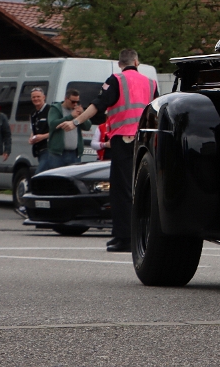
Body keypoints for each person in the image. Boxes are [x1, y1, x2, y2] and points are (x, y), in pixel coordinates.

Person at [60, 49, 157, 252]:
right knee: (140, 187)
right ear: (136, 62)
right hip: (144, 140)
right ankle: (135, 234)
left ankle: (125, 238)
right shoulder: (151, 83)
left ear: (120, 64)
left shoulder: (116, 80)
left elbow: (98, 105)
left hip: (123, 139)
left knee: (121, 190)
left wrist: (75, 122)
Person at [42, 89, 91, 173]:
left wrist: (82, 114)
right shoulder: (56, 109)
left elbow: (87, 127)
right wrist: (70, 116)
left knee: (73, 177)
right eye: (73, 102)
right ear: (66, 99)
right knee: (56, 176)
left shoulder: (77, 110)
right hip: (58, 154)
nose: (75, 104)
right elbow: (53, 124)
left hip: (74, 153)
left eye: (77, 102)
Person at [28, 87, 50, 160]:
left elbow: (57, 130)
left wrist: (43, 136)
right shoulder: (33, 113)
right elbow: (33, 130)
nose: (36, 99)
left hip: (49, 148)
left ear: (44, 97)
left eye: (38, 96)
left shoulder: (50, 110)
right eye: (33, 97)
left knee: (41, 167)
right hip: (38, 149)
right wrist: (31, 138)